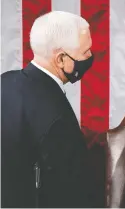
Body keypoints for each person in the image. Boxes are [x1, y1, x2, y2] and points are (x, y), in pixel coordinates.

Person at [1, 11, 98, 208]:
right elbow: (73, 194)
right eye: (85, 51)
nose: (90, 56)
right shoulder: (58, 118)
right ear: (61, 59)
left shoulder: (4, 81)